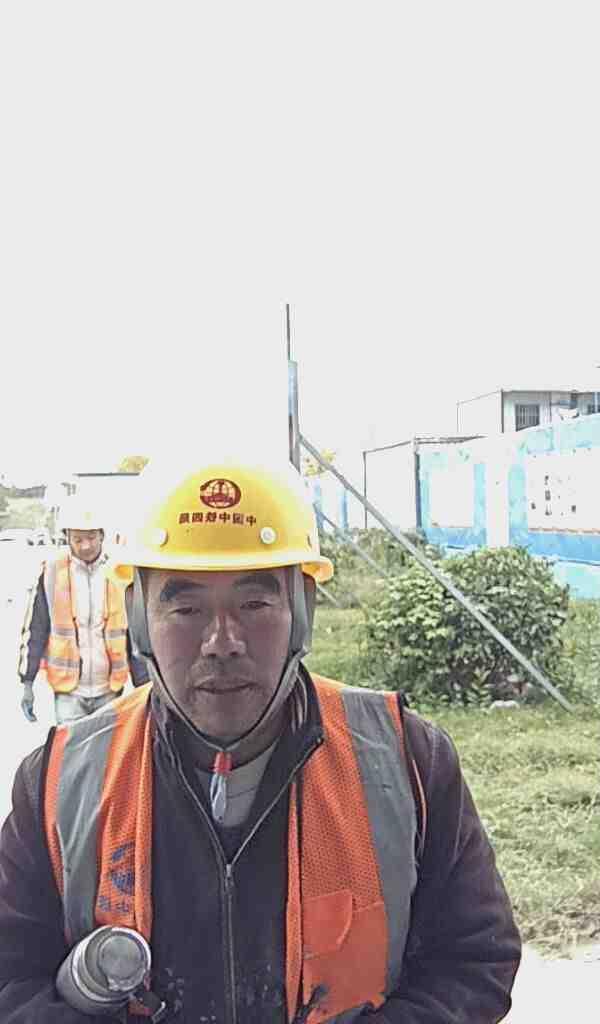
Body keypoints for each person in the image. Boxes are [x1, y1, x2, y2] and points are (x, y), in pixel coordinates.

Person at [0, 459, 521, 1023]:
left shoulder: (405, 760)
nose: (222, 642)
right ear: (140, 620)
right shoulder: (60, 782)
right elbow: (11, 976)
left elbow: (473, 961)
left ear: (301, 613)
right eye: (186, 608)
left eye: (254, 604)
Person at [17, 496, 149, 725]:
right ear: (67, 537)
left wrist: (145, 686)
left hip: (109, 689)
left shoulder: (119, 571)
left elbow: (135, 632)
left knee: (107, 747)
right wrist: (27, 682)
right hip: (69, 692)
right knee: (71, 747)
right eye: (78, 539)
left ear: (102, 535)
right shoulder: (51, 572)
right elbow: (35, 628)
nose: (85, 545)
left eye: (91, 538)